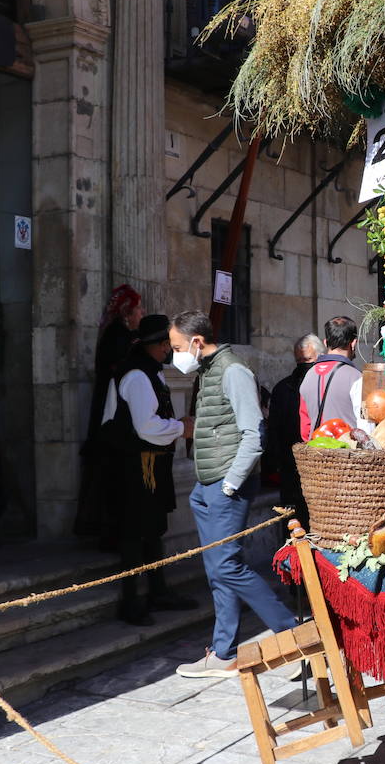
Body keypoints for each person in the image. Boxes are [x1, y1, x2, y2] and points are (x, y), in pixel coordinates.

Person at [169, 310, 298, 677]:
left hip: (227, 486)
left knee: (227, 565)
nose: (174, 355)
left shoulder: (232, 371)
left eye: (177, 347)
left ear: (196, 342)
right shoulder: (209, 370)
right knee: (217, 569)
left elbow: (254, 433)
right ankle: (223, 652)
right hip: (207, 486)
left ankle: (292, 635)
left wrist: (230, 483)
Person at [98, 315, 198, 625]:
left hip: (150, 464)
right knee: (133, 533)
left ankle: (158, 591)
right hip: (136, 465)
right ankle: (131, 602)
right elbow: (145, 426)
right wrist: (180, 428)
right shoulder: (138, 376)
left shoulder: (150, 372)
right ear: (157, 345)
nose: (169, 348)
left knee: (153, 529)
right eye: (167, 343)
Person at [78, 284, 144, 541]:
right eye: (138, 309)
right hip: (113, 416)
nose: (142, 313)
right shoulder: (117, 337)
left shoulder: (124, 336)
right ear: (127, 313)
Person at [267, 334, 322, 524]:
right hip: (290, 471)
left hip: (320, 469)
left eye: (308, 360)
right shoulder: (282, 389)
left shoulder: (324, 385)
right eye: (299, 360)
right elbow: (273, 430)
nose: (303, 365)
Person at [299, 317, 361, 440]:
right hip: (348, 455)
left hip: (316, 454)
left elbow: (305, 429)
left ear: (325, 342)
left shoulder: (308, 375)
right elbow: (365, 426)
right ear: (354, 343)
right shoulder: (356, 377)